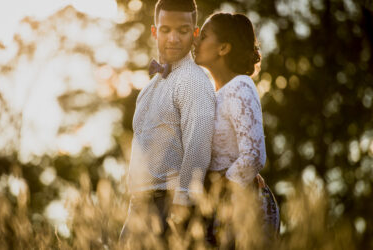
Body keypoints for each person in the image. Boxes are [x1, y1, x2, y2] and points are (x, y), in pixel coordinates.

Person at [119, 0, 216, 247]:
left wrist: (181, 207)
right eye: (165, 30)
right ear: (154, 31)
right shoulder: (149, 87)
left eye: (182, 31)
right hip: (139, 206)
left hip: (169, 204)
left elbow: (198, 146)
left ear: (195, 34)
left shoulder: (193, 81)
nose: (173, 38)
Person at [194, 13, 280, 248]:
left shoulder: (240, 86)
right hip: (219, 210)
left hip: (245, 207)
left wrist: (221, 189)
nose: (195, 41)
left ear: (223, 48)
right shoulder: (212, 97)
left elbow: (254, 155)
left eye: (203, 36)